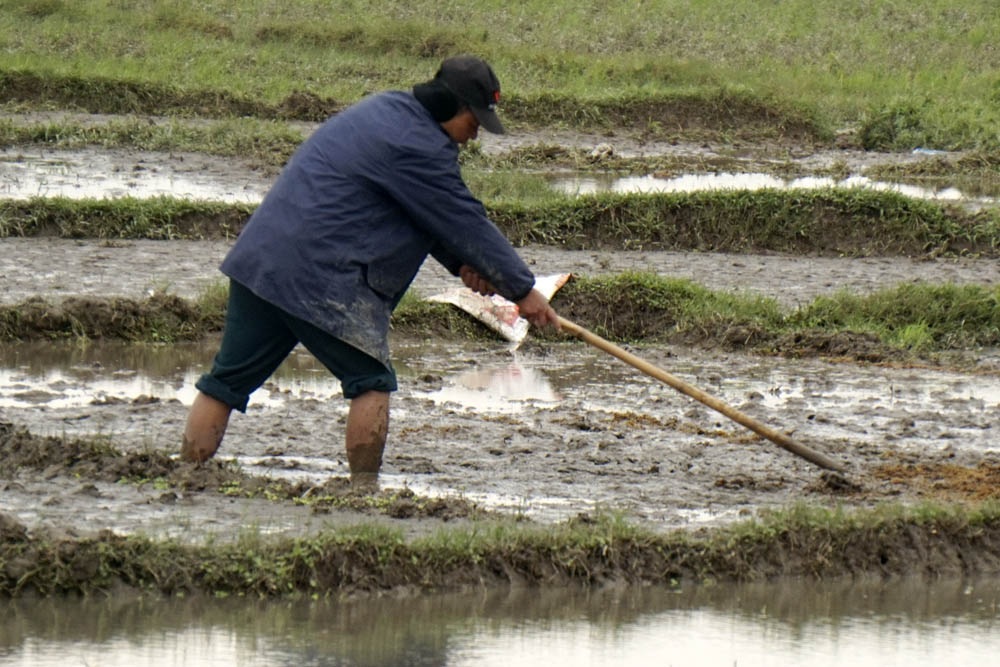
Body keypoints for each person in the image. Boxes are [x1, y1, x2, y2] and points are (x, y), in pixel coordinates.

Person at [180, 55, 560, 483]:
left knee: (226, 381)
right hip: (318, 276)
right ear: (448, 105)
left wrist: (463, 264)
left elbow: (425, 216)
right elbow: (462, 219)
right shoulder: (420, 146)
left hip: (263, 262)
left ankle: (185, 478)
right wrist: (523, 291)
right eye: (474, 121)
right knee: (371, 380)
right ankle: (364, 494)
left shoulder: (384, 110)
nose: (475, 135)